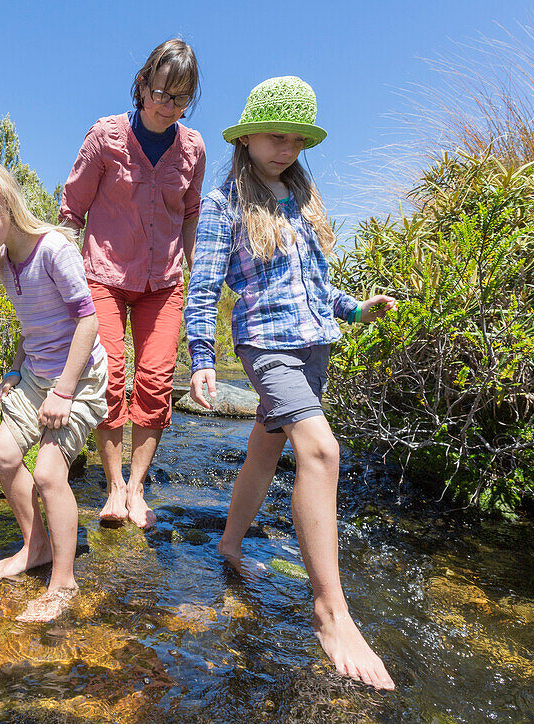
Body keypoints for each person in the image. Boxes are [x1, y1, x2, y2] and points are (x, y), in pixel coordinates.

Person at [184, 76, 398, 689]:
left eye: (298, 138)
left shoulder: (302, 200)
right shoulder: (226, 204)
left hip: (312, 345)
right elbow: (204, 287)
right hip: (266, 347)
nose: (287, 148)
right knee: (321, 451)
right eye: (276, 135)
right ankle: (332, 614)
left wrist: (356, 308)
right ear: (247, 136)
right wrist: (202, 356)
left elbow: (314, 288)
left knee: (266, 445)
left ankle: (229, 544)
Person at [0, 151, 108, 623]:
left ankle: (64, 582)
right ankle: (38, 545)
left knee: (50, 474)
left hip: (80, 377)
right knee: (3, 455)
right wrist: (15, 368)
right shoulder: (5, 258)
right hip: (37, 373)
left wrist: (65, 391)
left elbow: (88, 321)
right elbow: (34, 331)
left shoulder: (53, 248)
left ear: (2, 193)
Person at [59, 39, 206, 529]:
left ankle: (139, 488)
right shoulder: (105, 136)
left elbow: (190, 214)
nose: (167, 106)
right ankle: (114, 485)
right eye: (161, 93)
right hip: (101, 275)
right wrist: (56, 278)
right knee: (110, 377)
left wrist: (193, 268)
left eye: (180, 99)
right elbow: (72, 211)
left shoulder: (194, 149)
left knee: (157, 379)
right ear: (143, 84)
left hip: (163, 281)